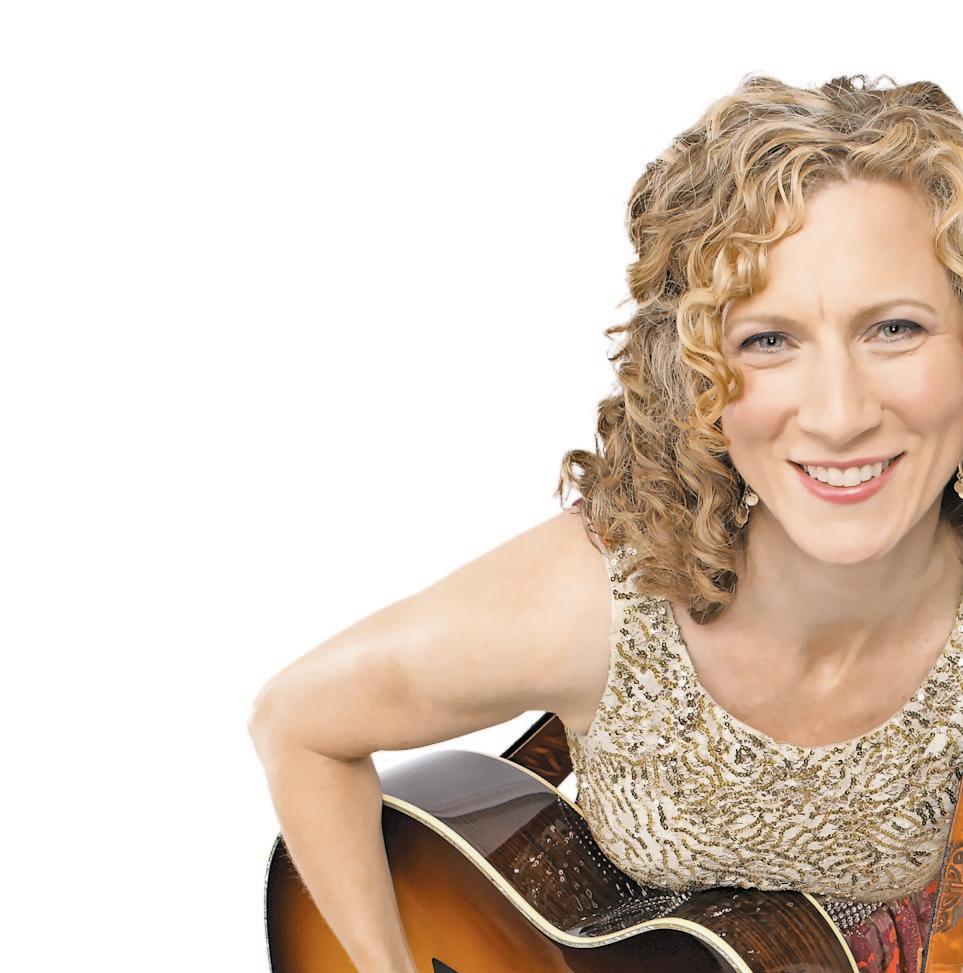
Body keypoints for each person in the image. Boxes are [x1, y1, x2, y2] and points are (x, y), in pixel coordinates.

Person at [248, 72, 963, 973]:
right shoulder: (602, 603)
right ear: (693, 374)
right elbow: (300, 724)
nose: (837, 413)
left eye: (894, 328)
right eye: (766, 339)